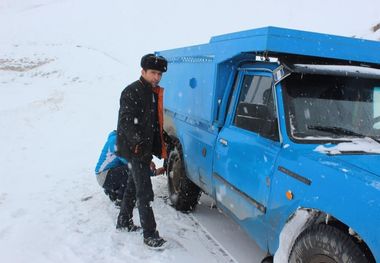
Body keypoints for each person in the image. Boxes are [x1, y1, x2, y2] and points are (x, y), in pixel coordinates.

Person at [116, 54, 168, 247]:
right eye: (153, 73)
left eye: (159, 74)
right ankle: (150, 234)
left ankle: (124, 220)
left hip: (142, 148)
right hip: (134, 149)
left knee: (133, 185)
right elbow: (127, 121)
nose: (156, 77)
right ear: (143, 71)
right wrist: (138, 143)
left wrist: (163, 141)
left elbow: (152, 123)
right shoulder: (132, 91)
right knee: (145, 192)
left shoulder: (152, 92)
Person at [95, 130, 165, 206]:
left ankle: (113, 192)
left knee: (128, 170)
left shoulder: (118, 140)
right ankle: (121, 200)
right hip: (104, 176)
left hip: (107, 176)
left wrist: (150, 167)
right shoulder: (115, 142)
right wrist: (151, 169)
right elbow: (130, 163)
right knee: (129, 171)